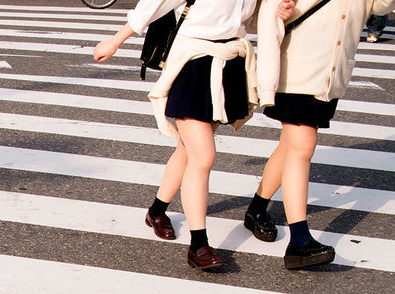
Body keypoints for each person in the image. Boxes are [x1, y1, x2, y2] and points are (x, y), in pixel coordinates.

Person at [95, 0, 270, 271]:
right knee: (203, 155)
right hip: (193, 63)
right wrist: (116, 40)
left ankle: (156, 211)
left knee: (188, 149)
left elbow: (250, 19)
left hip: (227, 62)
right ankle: (198, 244)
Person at [247, 0, 395, 268]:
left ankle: (257, 209)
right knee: (303, 145)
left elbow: (380, 6)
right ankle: (299, 240)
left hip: (329, 76)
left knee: (291, 146)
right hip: (294, 72)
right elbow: (266, 17)